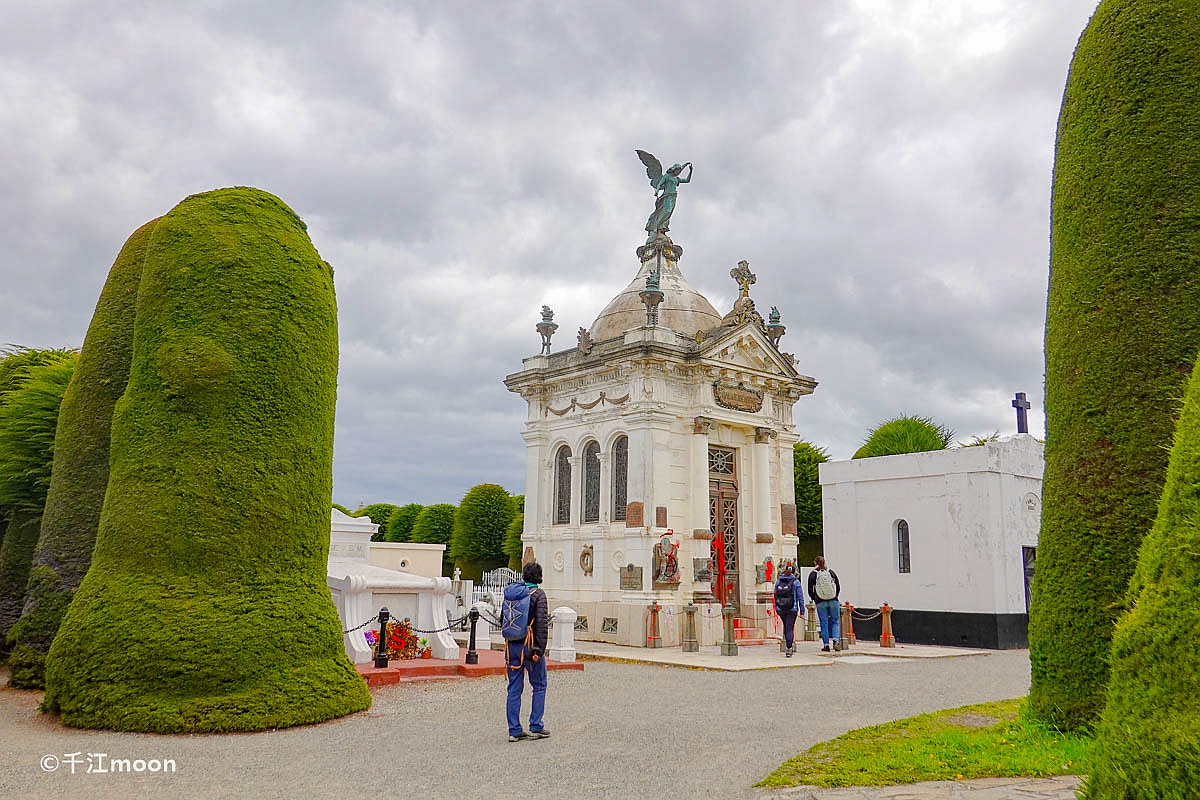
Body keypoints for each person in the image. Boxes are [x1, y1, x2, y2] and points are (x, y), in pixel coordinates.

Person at [506, 561, 550, 742]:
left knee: (514, 689)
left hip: (512, 645)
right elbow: (541, 624)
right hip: (530, 645)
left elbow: (503, 618)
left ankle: (514, 730)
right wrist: (539, 649)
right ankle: (535, 726)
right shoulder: (538, 594)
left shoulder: (511, 593)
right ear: (539, 577)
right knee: (539, 685)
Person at [807, 556, 842, 652]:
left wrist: (815, 599)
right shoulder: (831, 572)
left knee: (824, 623)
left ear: (815, 563)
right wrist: (835, 596)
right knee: (835, 621)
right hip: (833, 600)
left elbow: (810, 590)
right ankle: (836, 640)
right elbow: (838, 586)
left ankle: (826, 645)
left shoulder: (813, 575)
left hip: (820, 601)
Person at [772, 563, 804, 656]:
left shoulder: (778, 581)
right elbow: (800, 597)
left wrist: (776, 607)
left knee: (786, 626)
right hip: (792, 608)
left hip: (781, 608)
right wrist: (802, 610)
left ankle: (788, 645)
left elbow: (775, 594)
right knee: (789, 628)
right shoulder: (796, 582)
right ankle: (789, 648)